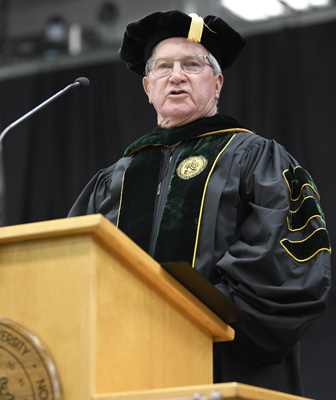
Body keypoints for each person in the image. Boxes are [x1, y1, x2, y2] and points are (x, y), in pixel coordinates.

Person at [68, 10, 331, 396]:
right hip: (127, 367)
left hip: (227, 361)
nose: (176, 76)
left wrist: (187, 313)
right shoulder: (116, 179)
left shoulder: (255, 158)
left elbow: (283, 259)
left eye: (192, 64)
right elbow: (77, 269)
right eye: (162, 67)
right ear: (147, 87)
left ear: (218, 82)